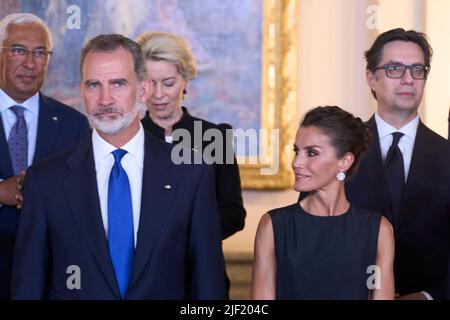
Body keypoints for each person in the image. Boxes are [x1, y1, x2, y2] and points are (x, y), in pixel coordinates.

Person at [11, 34, 226, 299]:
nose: (105, 99)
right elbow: (28, 288)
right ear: (81, 91)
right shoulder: (45, 181)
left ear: (143, 90)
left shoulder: (192, 174)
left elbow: (208, 285)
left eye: (118, 83)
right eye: (93, 85)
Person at [136, 31, 246, 296]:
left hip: (202, 276)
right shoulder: (128, 139)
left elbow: (233, 214)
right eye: (151, 83)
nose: (159, 94)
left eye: (169, 83)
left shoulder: (215, 137)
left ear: (186, 80)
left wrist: (185, 236)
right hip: (142, 279)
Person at [346, 28, 450, 300]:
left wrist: (428, 296)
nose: (408, 79)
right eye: (394, 68)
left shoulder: (447, 156)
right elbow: (309, 238)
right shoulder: (339, 154)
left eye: (417, 69)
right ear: (371, 78)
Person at [252, 106, 395, 300]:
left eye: (311, 153)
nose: (296, 163)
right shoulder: (273, 225)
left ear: (344, 161)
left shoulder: (378, 230)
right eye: (297, 151)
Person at [0, 13, 88, 299]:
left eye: (40, 52)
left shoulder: (73, 124)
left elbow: (86, 204)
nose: (30, 63)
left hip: (51, 283)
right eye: (18, 50)